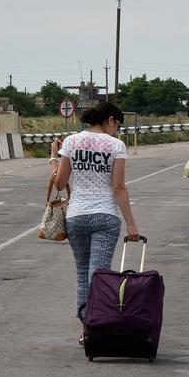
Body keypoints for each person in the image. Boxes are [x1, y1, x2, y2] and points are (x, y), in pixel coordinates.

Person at [54, 101, 142, 344]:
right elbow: (118, 187)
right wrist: (131, 224)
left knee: (83, 274)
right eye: (119, 126)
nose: (118, 131)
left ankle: (86, 329)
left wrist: (54, 158)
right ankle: (95, 327)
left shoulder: (71, 141)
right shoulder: (116, 145)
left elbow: (60, 183)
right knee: (99, 275)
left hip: (76, 216)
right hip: (106, 216)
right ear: (111, 120)